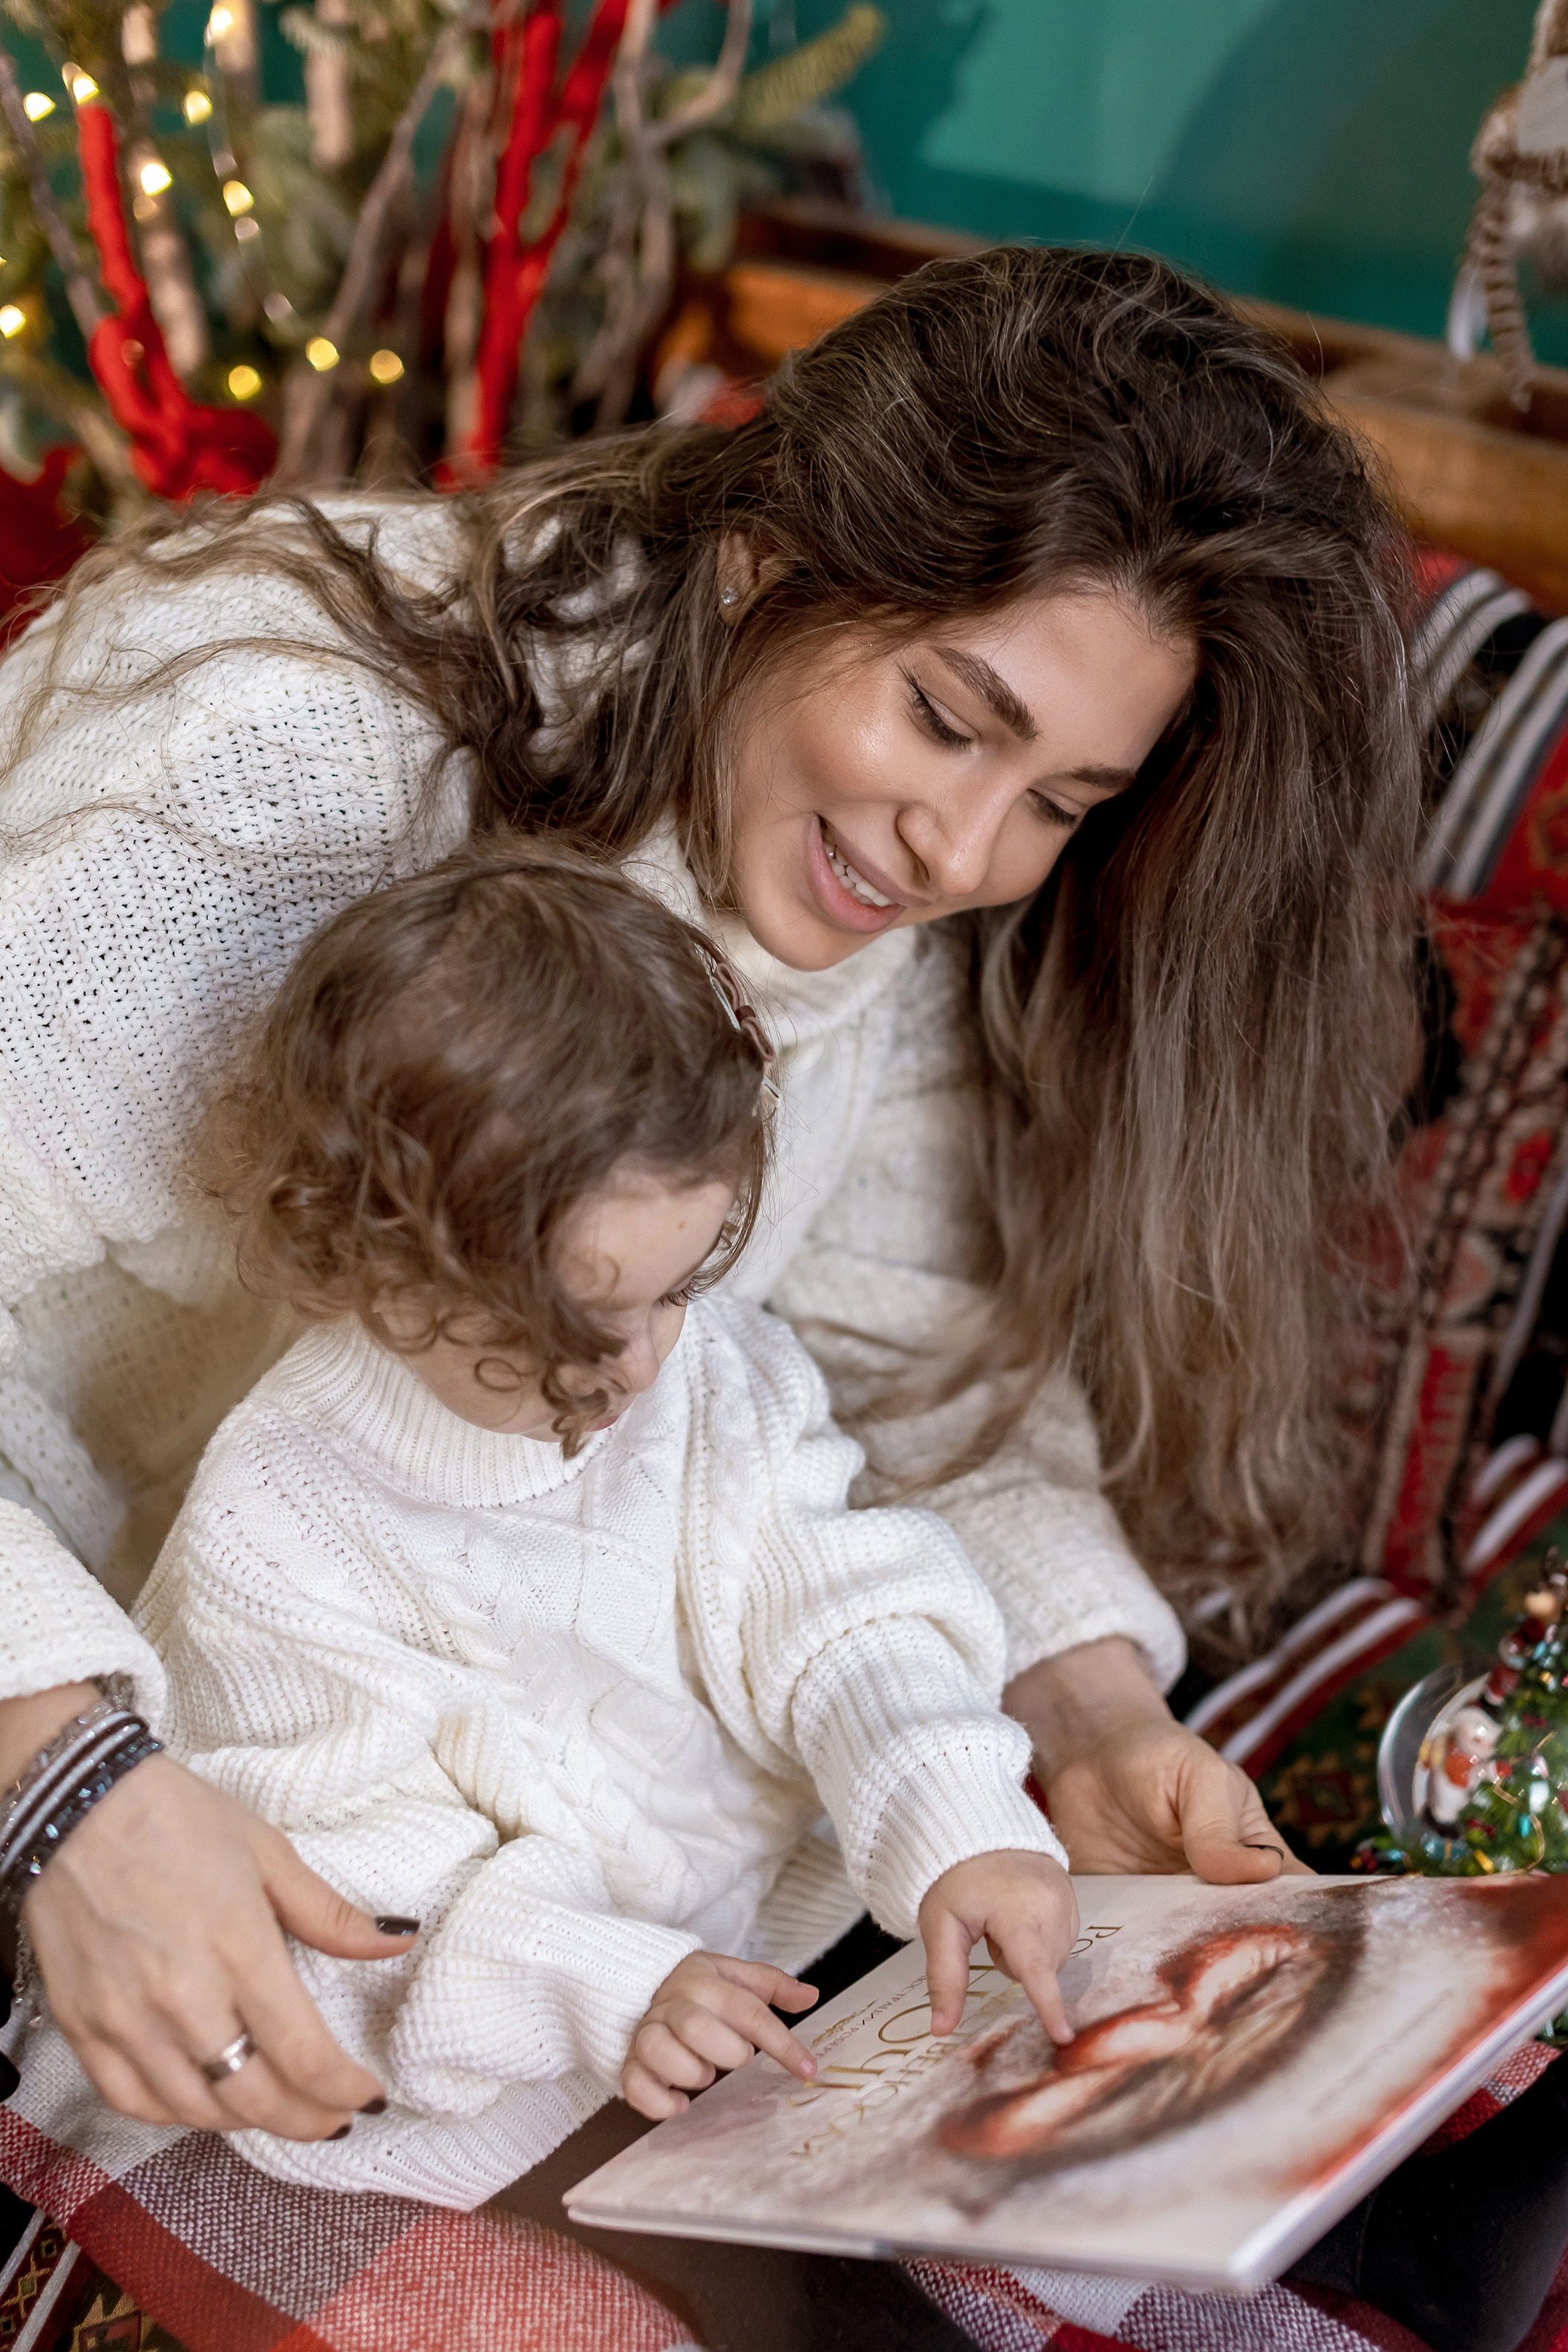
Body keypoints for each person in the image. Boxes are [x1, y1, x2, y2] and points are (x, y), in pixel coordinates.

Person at [0, 244, 1413, 2145]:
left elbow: (902, 1394)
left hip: (397, 1826)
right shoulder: (287, 761)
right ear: (764, 559)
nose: (964, 855)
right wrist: (62, 1779)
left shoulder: (851, 925)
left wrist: (1081, 1720)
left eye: (1065, 800)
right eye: (945, 714)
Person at [4, 846, 1078, 2206]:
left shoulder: (703, 1376)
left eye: (680, 1287)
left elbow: (839, 1609)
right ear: (380, 1264)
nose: (640, 1364)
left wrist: (956, 1815)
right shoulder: (278, 1530)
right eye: (582, 1320)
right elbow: (357, 1897)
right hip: (501, 2065)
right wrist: (617, 1987)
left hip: (769, 1926)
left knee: (1067, 2149)